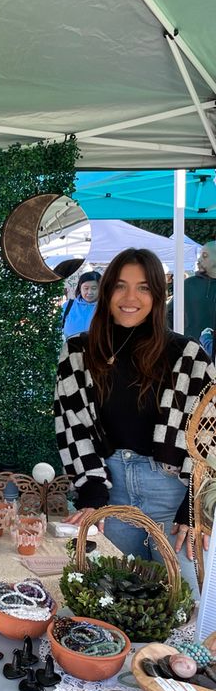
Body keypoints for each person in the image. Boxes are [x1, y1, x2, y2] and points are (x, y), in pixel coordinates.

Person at [54, 247, 215, 596]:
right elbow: (73, 425)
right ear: (107, 289)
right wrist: (92, 492)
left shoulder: (188, 356)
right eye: (121, 286)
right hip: (109, 492)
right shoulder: (78, 352)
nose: (131, 297)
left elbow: (211, 439)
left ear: (158, 294)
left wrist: (195, 507)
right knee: (112, 603)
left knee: (182, 605)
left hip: (173, 495)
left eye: (143, 287)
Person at [167, 240, 216, 344]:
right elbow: (168, 315)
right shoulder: (188, 284)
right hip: (190, 351)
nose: (199, 259)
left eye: (205, 255)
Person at [61, 271, 101, 339]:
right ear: (80, 288)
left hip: (98, 349)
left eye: (94, 288)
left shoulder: (108, 308)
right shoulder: (68, 306)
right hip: (71, 348)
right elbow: (57, 331)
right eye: (86, 288)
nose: (89, 292)